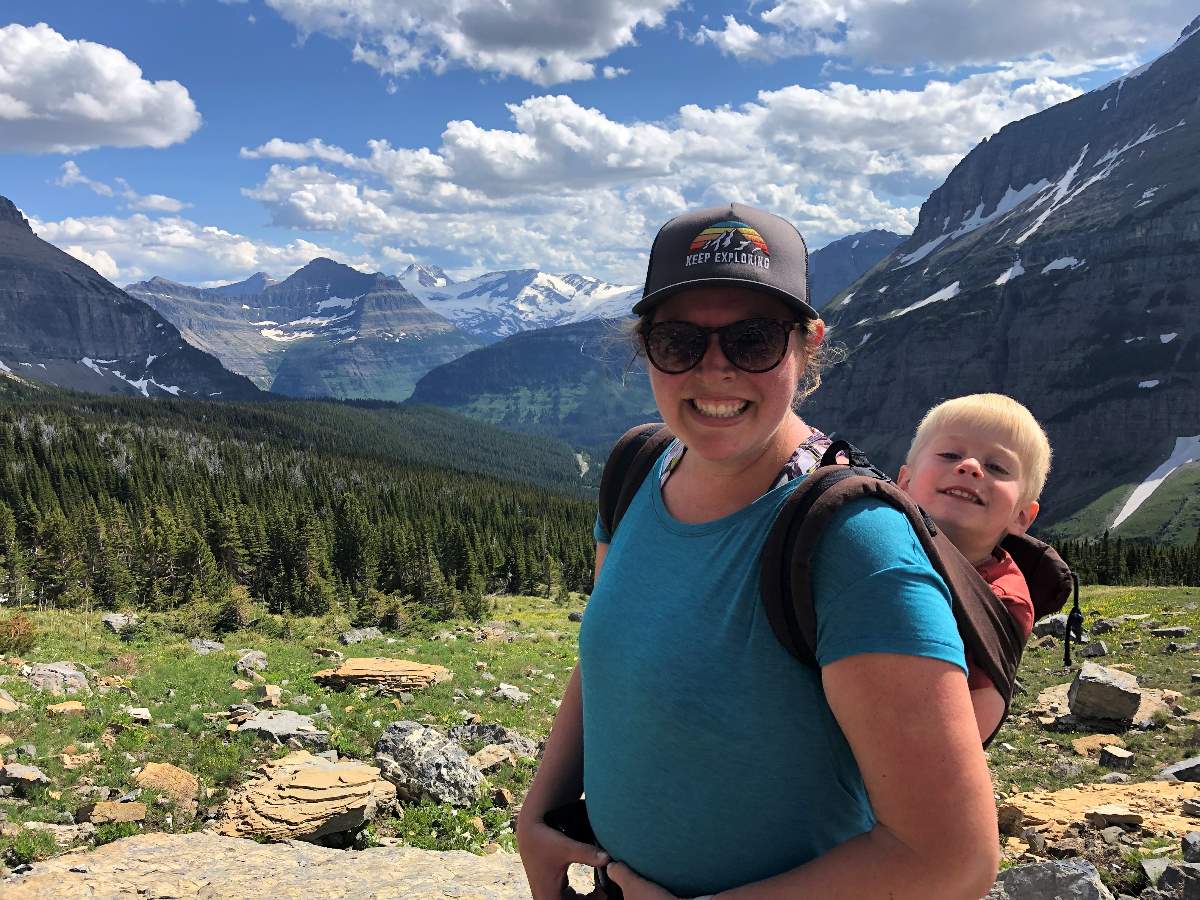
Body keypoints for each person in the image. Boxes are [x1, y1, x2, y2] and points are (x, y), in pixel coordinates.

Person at [517, 203, 999, 900]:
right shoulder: (634, 469)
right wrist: (538, 813)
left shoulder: (853, 543)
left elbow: (952, 861)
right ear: (644, 347)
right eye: (679, 341)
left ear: (807, 347)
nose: (714, 370)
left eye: (753, 340)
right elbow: (609, 661)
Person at [897, 393, 1051, 742]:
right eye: (950, 454)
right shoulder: (871, 546)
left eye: (996, 467)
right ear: (904, 482)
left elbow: (976, 718)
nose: (969, 467)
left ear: (1022, 516)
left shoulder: (1002, 600)